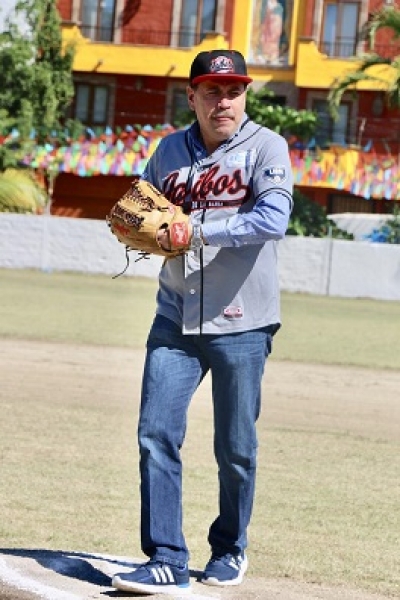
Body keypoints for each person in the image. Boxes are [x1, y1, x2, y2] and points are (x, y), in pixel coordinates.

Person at [112, 49, 293, 596]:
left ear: (245, 95)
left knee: (235, 449)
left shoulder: (267, 146)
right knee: (155, 435)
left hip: (243, 322)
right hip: (174, 317)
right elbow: (137, 210)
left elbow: (273, 217)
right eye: (212, 91)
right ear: (191, 96)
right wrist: (137, 230)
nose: (224, 101)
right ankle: (165, 556)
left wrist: (197, 231)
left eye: (234, 90)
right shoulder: (167, 151)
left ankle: (230, 547)